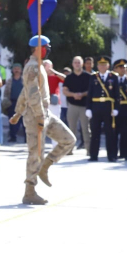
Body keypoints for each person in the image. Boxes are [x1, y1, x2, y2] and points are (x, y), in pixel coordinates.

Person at [19, 36, 75, 205]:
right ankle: (29, 191)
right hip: (36, 115)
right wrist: (38, 116)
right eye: (46, 46)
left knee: (69, 140)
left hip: (45, 112)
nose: (49, 48)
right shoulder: (32, 67)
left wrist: (17, 112)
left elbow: (25, 92)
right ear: (38, 48)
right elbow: (32, 93)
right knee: (35, 153)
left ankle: (45, 166)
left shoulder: (40, 65)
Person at [85, 55, 119, 162]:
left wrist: (116, 108)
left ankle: (112, 155)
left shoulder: (113, 77)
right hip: (96, 107)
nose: (102, 67)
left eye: (104, 65)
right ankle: (93, 155)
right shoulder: (93, 77)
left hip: (109, 107)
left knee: (110, 132)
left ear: (108, 66)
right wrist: (88, 108)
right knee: (95, 131)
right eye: (100, 65)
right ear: (98, 66)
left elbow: (117, 94)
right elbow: (89, 94)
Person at [62, 56, 91, 153]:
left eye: (79, 62)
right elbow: (65, 91)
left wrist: (82, 94)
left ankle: (89, 150)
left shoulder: (88, 76)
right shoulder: (69, 77)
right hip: (72, 105)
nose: (77, 64)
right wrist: (73, 95)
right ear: (72, 64)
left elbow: (91, 91)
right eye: (75, 62)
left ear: (82, 64)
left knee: (86, 129)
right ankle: (69, 150)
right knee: (71, 129)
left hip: (84, 106)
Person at [4, 63, 25, 142]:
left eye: (18, 68)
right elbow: (6, 92)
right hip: (12, 102)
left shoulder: (24, 80)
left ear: (21, 70)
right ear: (12, 70)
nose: (16, 70)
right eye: (15, 68)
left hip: (23, 103)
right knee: (12, 120)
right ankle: (13, 137)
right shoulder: (10, 80)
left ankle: (26, 138)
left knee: (24, 121)